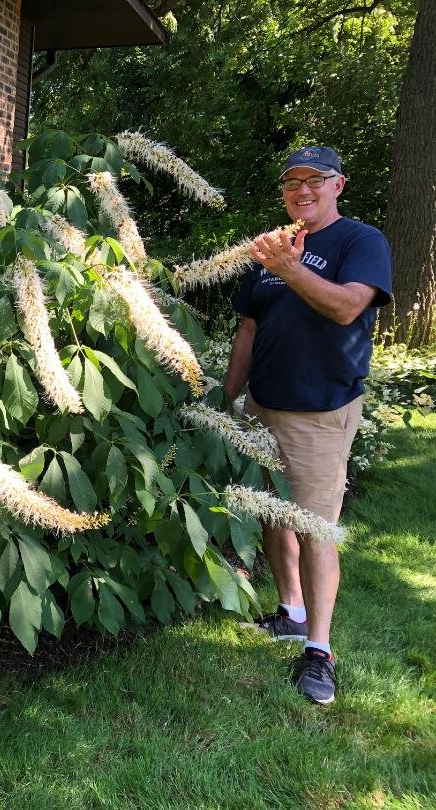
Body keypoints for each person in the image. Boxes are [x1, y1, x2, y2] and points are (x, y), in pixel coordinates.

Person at [223, 145, 393, 704]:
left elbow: (348, 307)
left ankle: (319, 651)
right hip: (263, 404)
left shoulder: (360, 242)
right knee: (275, 511)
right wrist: (227, 397)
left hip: (319, 412)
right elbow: (249, 329)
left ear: (338, 185)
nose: (303, 191)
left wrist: (290, 268)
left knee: (317, 531)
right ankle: (291, 610)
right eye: (292, 182)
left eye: (314, 180)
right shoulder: (270, 250)